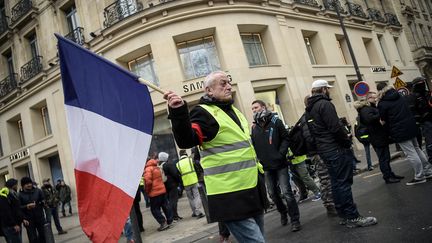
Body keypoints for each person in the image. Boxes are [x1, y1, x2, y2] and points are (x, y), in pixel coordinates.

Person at [164, 71, 267, 242]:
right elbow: (186, 139)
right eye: (223, 83)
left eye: (229, 82)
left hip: (252, 190)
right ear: (209, 90)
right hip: (229, 195)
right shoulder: (203, 112)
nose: (228, 86)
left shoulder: (234, 111)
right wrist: (178, 111)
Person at [305, 79, 377, 228]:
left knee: (336, 182)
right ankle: (352, 217)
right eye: (327, 88)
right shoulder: (325, 104)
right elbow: (335, 127)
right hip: (335, 149)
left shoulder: (309, 109)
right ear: (323, 89)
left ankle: (343, 215)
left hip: (325, 150)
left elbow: (313, 134)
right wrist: (346, 142)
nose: (329, 90)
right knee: (343, 183)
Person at [250, 99, 301, 232]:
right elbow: (254, 145)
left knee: (287, 192)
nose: (254, 110)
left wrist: (280, 154)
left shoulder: (275, 121)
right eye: (252, 109)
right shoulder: (254, 127)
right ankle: (283, 212)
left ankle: (295, 220)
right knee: (272, 194)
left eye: (256, 107)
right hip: (266, 166)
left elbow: (286, 138)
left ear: (263, 107)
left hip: (280, 164)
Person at [377, 83, 432, 185]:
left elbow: (383, 120)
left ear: (380, 91)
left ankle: (419, 176)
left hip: (399, 130)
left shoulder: (383, 103)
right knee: (417, 149)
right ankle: (428, 171)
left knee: (411, 153)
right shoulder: (400, 96)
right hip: (411, 126)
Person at [354, 93, 403, 184]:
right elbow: (369, 119)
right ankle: (387, 177)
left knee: (386, 157)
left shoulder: (370, 108)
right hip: (376, 137)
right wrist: (380, 115)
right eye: (374, 97)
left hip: (380, 136)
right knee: (383, 158)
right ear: (369, 99)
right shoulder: (365, 109)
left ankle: (390, 174)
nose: (376, 99)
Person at [144, 157, 173, 231]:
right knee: (165, 205)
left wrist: (147, 191)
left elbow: (148, 182)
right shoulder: (157, 167)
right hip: (162, 190)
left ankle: (163, 223)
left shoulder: (148, 169)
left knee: (154, 209)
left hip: (154, 193)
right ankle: (169, 220)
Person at [177, 149, 205, 219]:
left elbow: (178, 174)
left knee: (190, 198)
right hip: (194, 180)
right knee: (196, 196)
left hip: (186, 183)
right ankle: (199, 211)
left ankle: (194, 212)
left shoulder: (177, 164)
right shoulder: (190, 160)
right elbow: (196, 168)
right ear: (185, 154)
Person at [410, 77, 432, 166]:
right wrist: (419, 119)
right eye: (420, 83)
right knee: (430, 141)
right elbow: (413, 110)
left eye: (423, 83)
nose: (422, 85)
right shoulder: (414, 96)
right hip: (425, 121)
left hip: (430, 118)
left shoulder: (427, 93)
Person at [18, 177, 47, 243]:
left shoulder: (38, 191)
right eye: (26, 184)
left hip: (40, 217)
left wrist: (42, 202)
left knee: (43, 236)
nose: (29, 185)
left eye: (30, 183)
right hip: (28, 220)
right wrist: (26, 206)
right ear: (23, 185)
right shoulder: (20, 195)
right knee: (33, 238)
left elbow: (43, 199)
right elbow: (18, 208)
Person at [0, 179, 29, 243]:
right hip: (10, 226)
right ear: (12, 185)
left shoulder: (13, 193)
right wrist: (14, 225)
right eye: (16, 184)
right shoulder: (4, 194)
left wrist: (23, 219)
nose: (17, 186)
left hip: (17, 224)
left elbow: (17, 209)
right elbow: (6, 212)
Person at [158, 152, 183, 220]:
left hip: (165, 186)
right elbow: (175, 174)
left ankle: (173, 215)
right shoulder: (168, 165)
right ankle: (174, 216)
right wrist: (179, 182)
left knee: (169, 201)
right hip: (172, 185)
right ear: (165, 158)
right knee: (173, 201)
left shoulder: (159, 166)